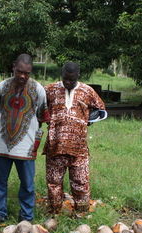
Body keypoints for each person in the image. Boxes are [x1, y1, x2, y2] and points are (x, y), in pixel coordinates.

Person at [0, 54, 47, 227]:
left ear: (30, 72)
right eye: (19, 71)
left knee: (27, 183)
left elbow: (42, 115)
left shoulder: (38, 89)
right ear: (14, 67)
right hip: (1, 143)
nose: (22, 76)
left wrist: (32, 132)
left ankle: (26, 217)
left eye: (26, 73)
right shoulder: (2, 87)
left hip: (26, 146)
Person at [43, 62, 105, 216]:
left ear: (78, 76)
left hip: (79, 148)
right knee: (53, 183)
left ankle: (81, 213)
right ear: (62, 75)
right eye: (65, 79)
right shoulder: (50, 90)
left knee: (81, 183)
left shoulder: (87, 91)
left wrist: (87, 120)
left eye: (71, 80)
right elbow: (38, 106)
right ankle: (55, 213)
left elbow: (101, 110)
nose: (68, 83)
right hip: (55, 145)